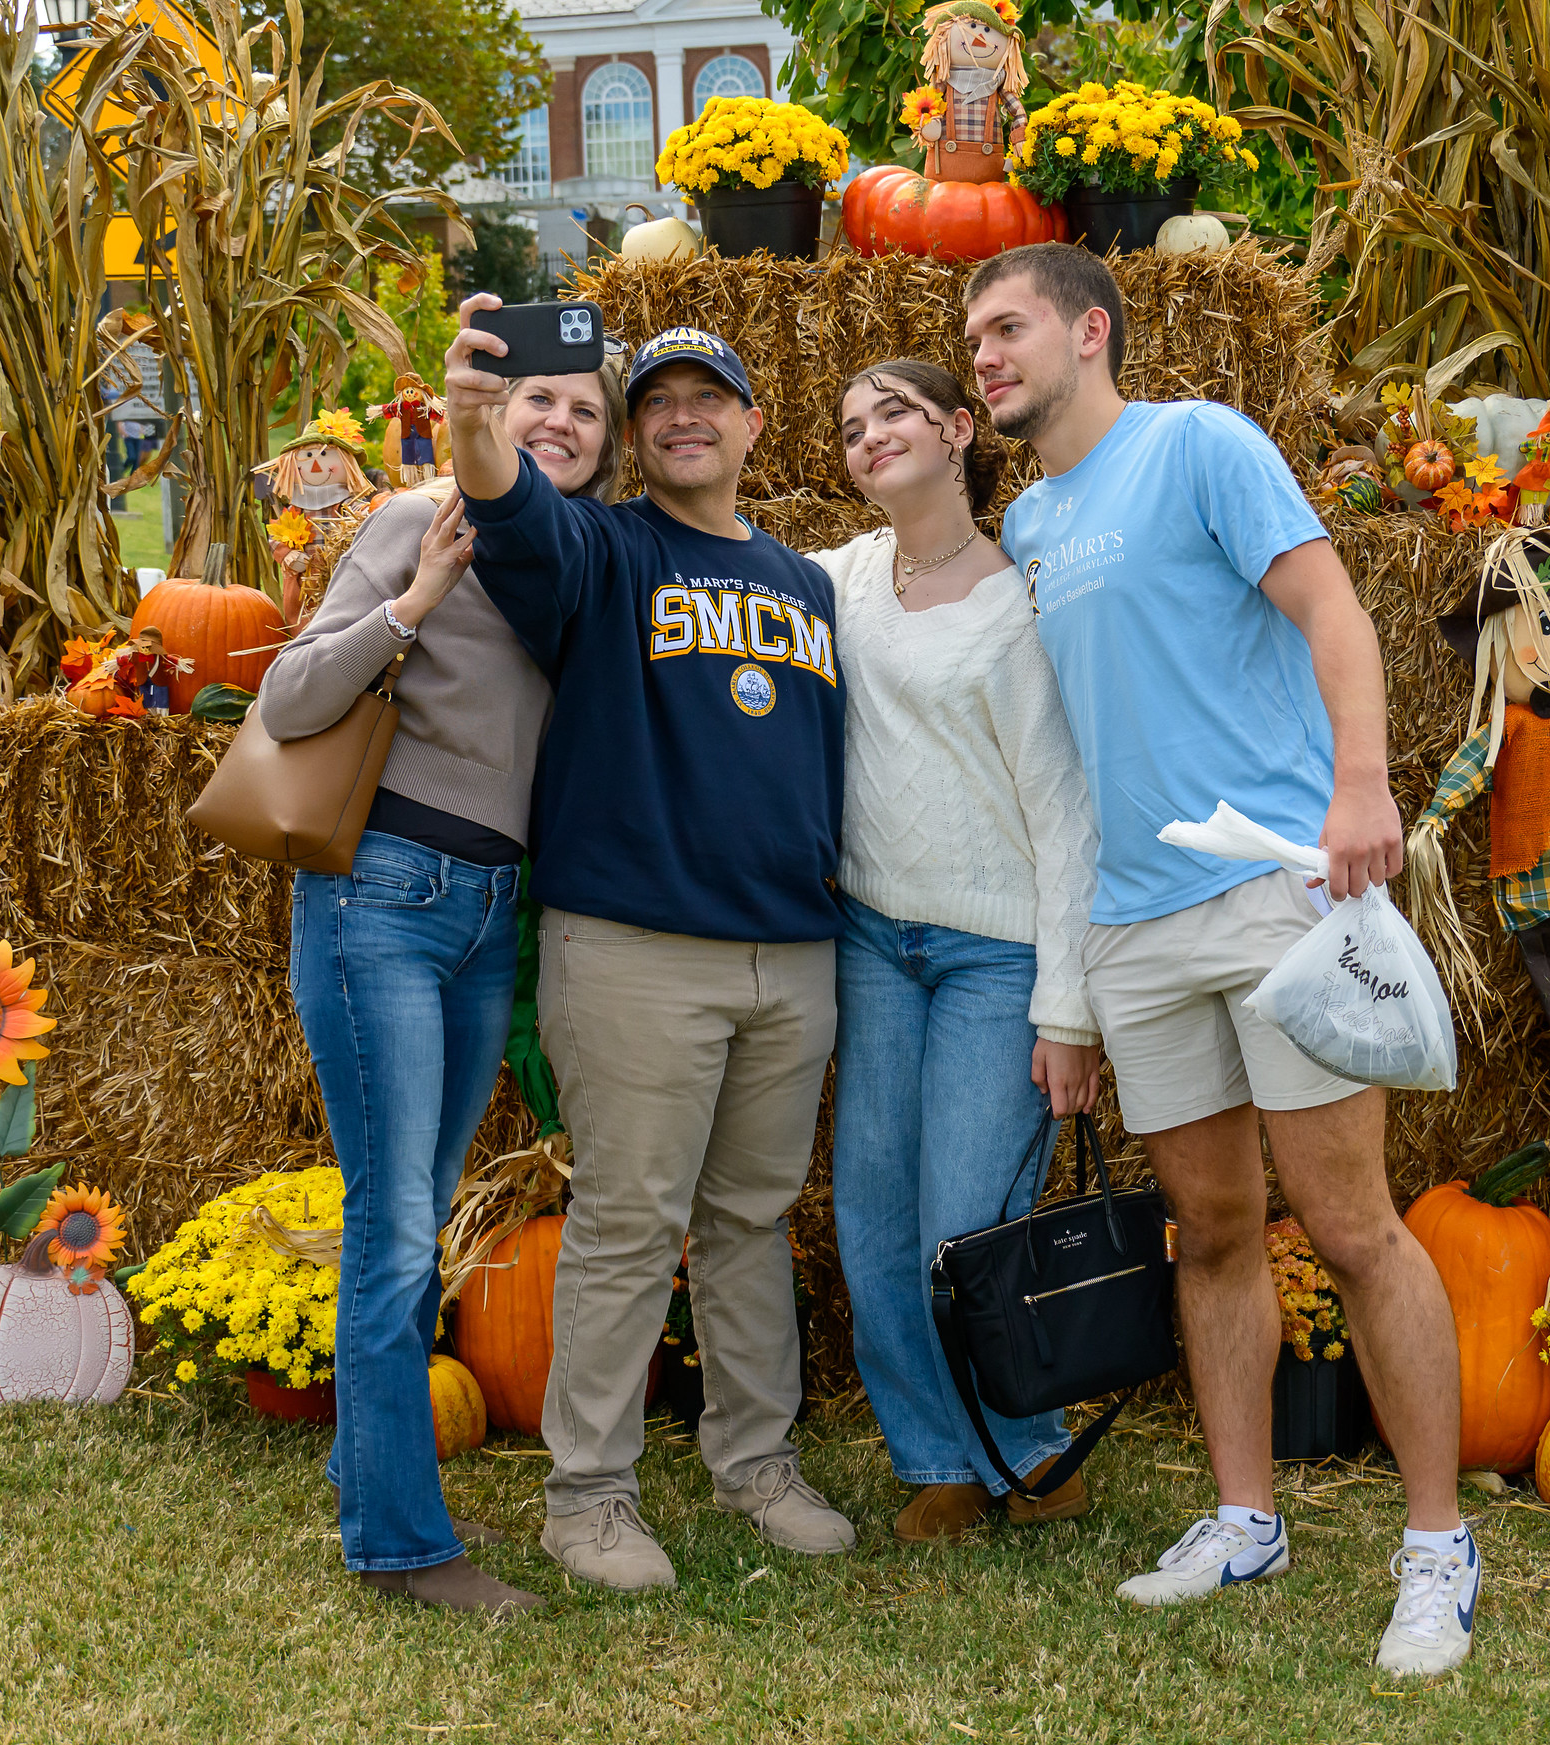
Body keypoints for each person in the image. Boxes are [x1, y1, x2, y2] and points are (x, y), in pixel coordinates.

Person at [963, 243, 1471, 1677]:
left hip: (1265, 885)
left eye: (1009, 328)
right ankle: (1244, 1516)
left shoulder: (1200, 444)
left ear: (1090, 330)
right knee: (1214, 1227)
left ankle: (1438, 1545)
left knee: (1350, 1219)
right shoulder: (1037, 519)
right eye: (974, 336)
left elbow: (1332, 611)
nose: (987, 355)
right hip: (1135, 925)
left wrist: (1360, 785)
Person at [444, 302, 854, 1592]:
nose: (683, 416)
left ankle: (756, 1464)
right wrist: (469, 413)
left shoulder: (805, 583)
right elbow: (508, 502)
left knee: (749, 1219)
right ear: (634, 435)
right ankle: (589, 1496)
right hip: (633, 945)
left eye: (707, 396)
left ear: (748, 422)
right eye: (657, 402)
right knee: (628, 1224)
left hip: (788, 955)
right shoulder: (602, 551)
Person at [255, 355, 628, 1619]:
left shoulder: (580, 560)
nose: (562, 422)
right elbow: (289, 691)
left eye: (587, 410)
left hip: (488, 912)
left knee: (420, 1203)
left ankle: (368, 1456)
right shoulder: (424, 520)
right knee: (394, 1222)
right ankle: (402, 1544)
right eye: (542, 401)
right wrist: (413, 600)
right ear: (495, 414)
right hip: (382, 896)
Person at [810, 360, 1102, 1542]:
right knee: (869, 1215)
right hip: (873, 936)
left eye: (892, 411)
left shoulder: (1024, 601)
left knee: (964, 1223)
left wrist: (1065, 1007)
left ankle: (1026, 1447)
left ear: (957, 430)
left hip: (993, 952)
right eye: (848, 422)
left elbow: (1065, 810)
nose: (868, 433)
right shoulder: (833, 581)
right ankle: (934, 1456)